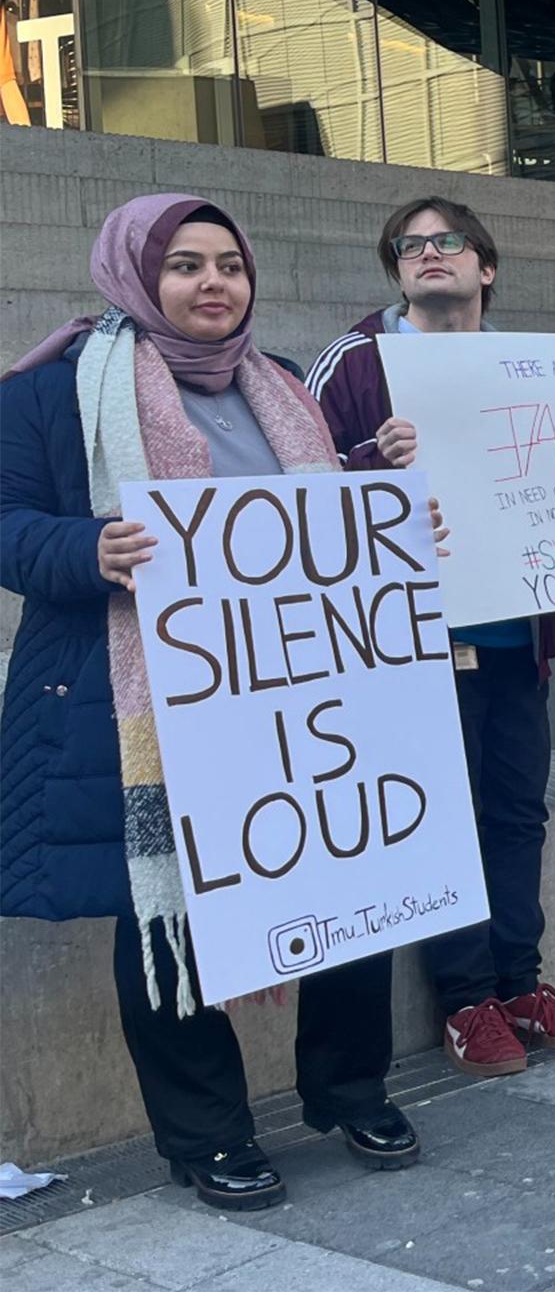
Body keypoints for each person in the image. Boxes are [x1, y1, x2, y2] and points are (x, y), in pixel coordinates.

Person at [3, 194, 420, 1209]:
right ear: (135, 274)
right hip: (140, 699)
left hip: (300, 690)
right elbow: (7, 523)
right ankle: (208, 1135)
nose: (212, 283)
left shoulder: (279, 386)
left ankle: (349, 1087)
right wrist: (84, 547)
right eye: (184, 264)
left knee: (345, 877)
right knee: (168, 917)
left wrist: (376, 481)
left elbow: (300, 522)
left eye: (227, 263)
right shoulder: (51, 391)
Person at [310, 196, 555, 1078]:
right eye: (408, 248)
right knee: (442, 822)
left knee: (517, 813)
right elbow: (294, 481)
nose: (426, 256)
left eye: (445, 241)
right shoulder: (358, 359)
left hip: (516, 637)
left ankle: (520, 982)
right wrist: (374, 461)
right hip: (410, 643)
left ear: (484, 266)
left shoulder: (531, 366)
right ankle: (464, 1000)